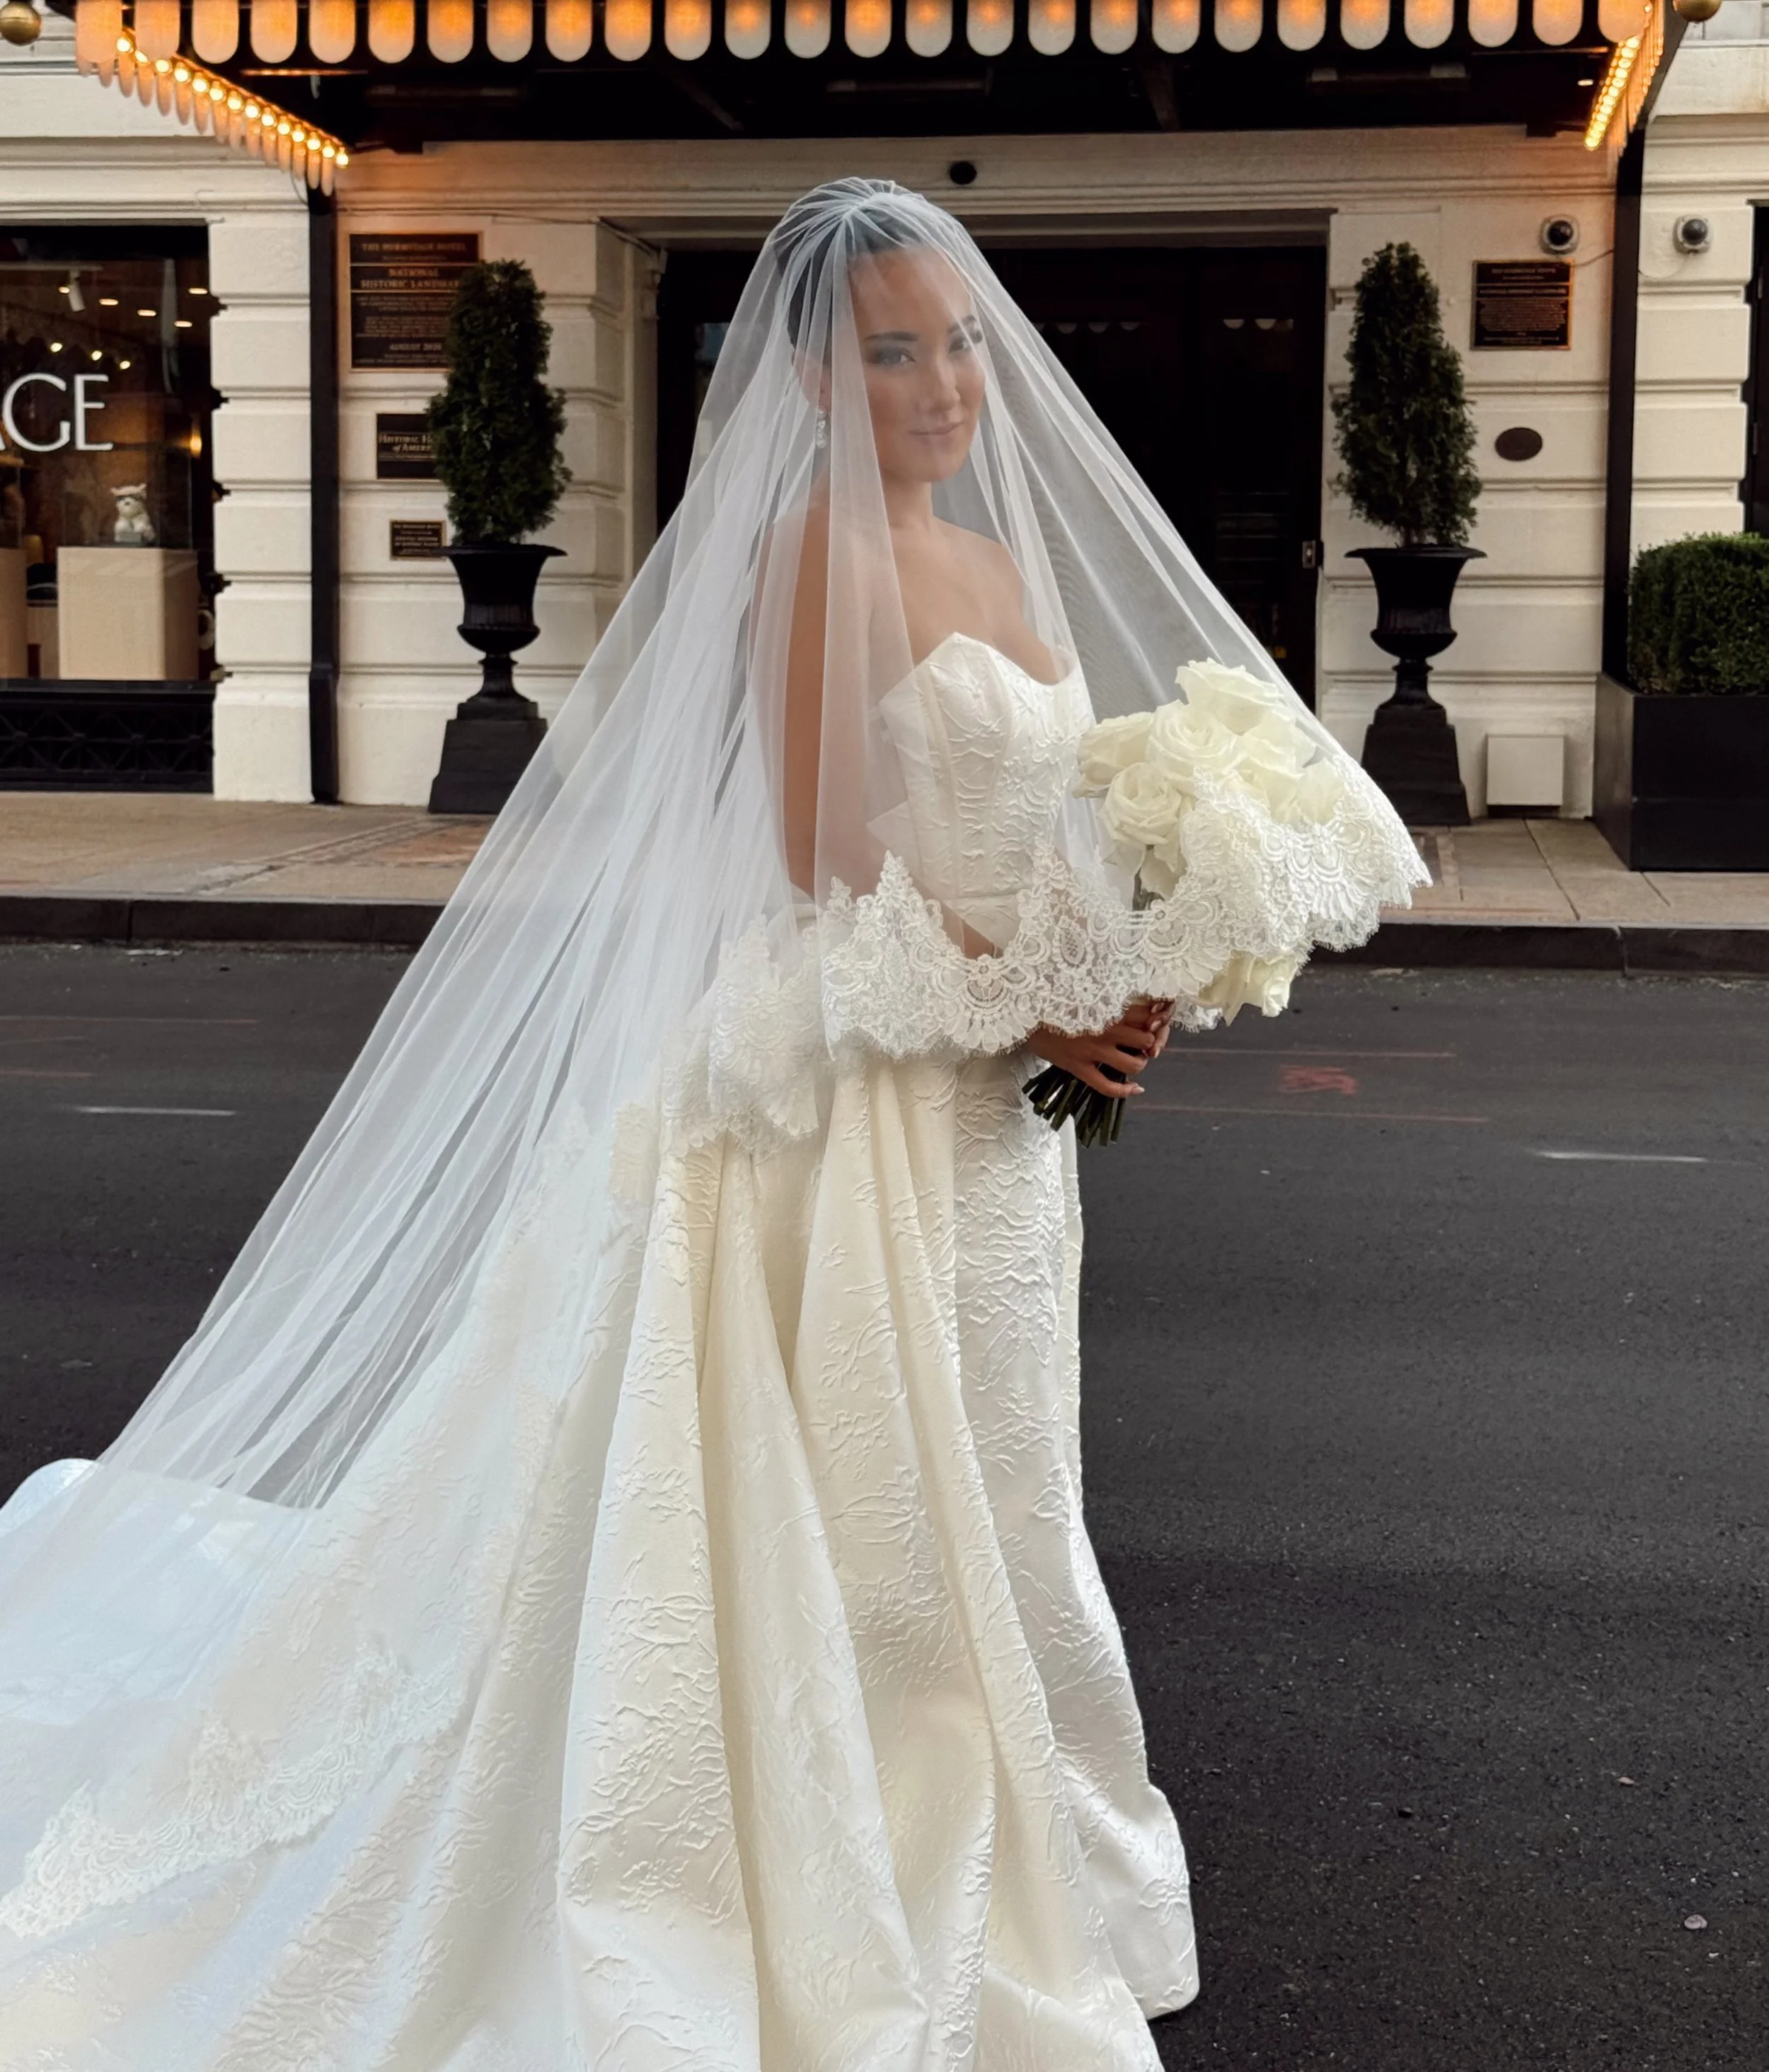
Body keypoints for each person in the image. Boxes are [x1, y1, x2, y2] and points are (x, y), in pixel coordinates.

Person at [0, 180, 1424, 2068]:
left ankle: (1015, 1847)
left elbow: (1039, 823)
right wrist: (1052, 994)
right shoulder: (813, 562)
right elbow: (829, 866)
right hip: (851, 1112)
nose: (941, 383)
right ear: (818, 383)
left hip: (994, 1122)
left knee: (999, 1481)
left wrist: (1133, 952)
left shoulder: (998, 565)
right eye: (893, 350)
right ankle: (842, 1865)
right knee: (870, 1505)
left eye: (959, 342)